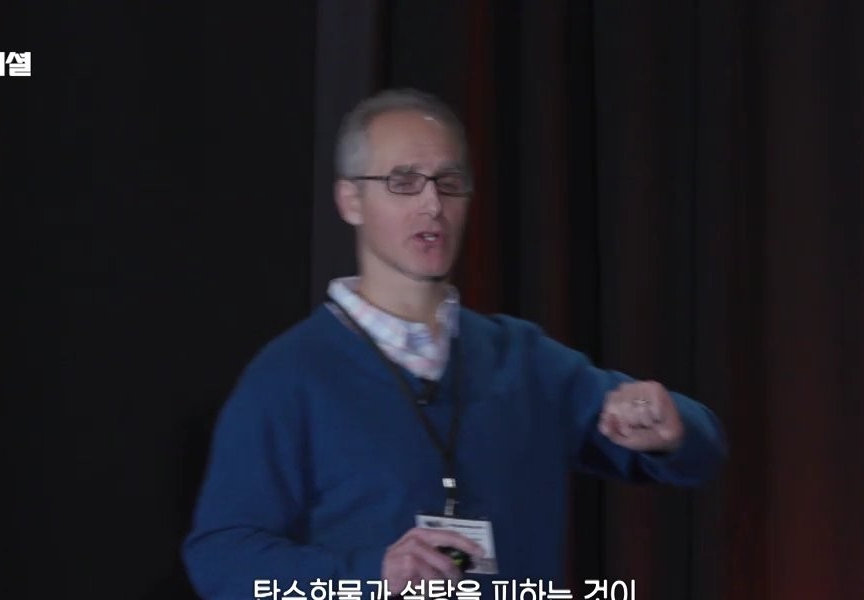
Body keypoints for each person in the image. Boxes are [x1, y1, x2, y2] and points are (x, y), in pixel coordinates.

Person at [182, 88, 727, 600]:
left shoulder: (523, 361)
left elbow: (698, 450)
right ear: (350, 200)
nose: (432, 205)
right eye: (403, 181)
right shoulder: (290, 376)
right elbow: (221, 559)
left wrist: (672, 425)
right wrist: (371, 576)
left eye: (449, 182)